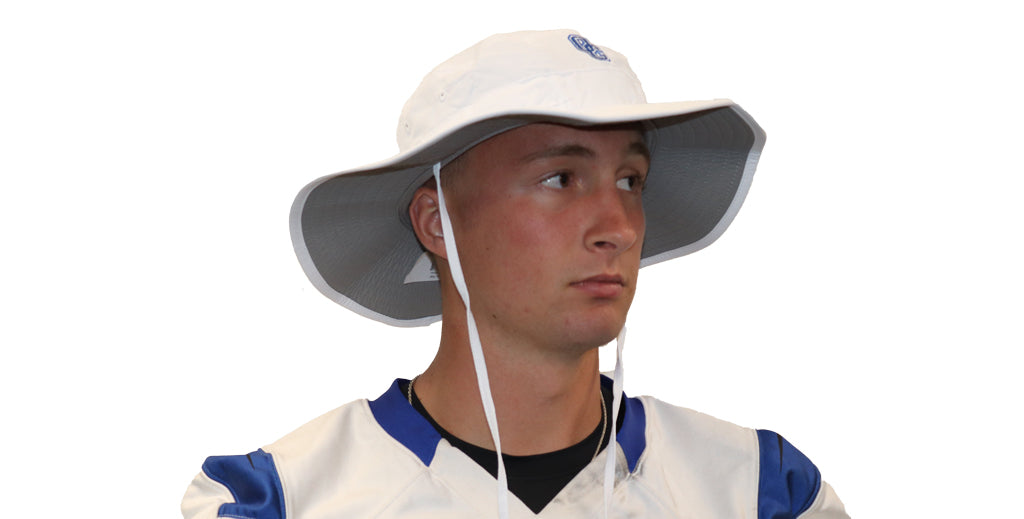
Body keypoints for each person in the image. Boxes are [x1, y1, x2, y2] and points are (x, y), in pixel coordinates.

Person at [181, 29, 849, 518]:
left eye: (630, 178)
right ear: (437, 221)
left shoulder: (760, 491)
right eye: (560, 178)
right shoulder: (282, 498)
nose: (617, 224)